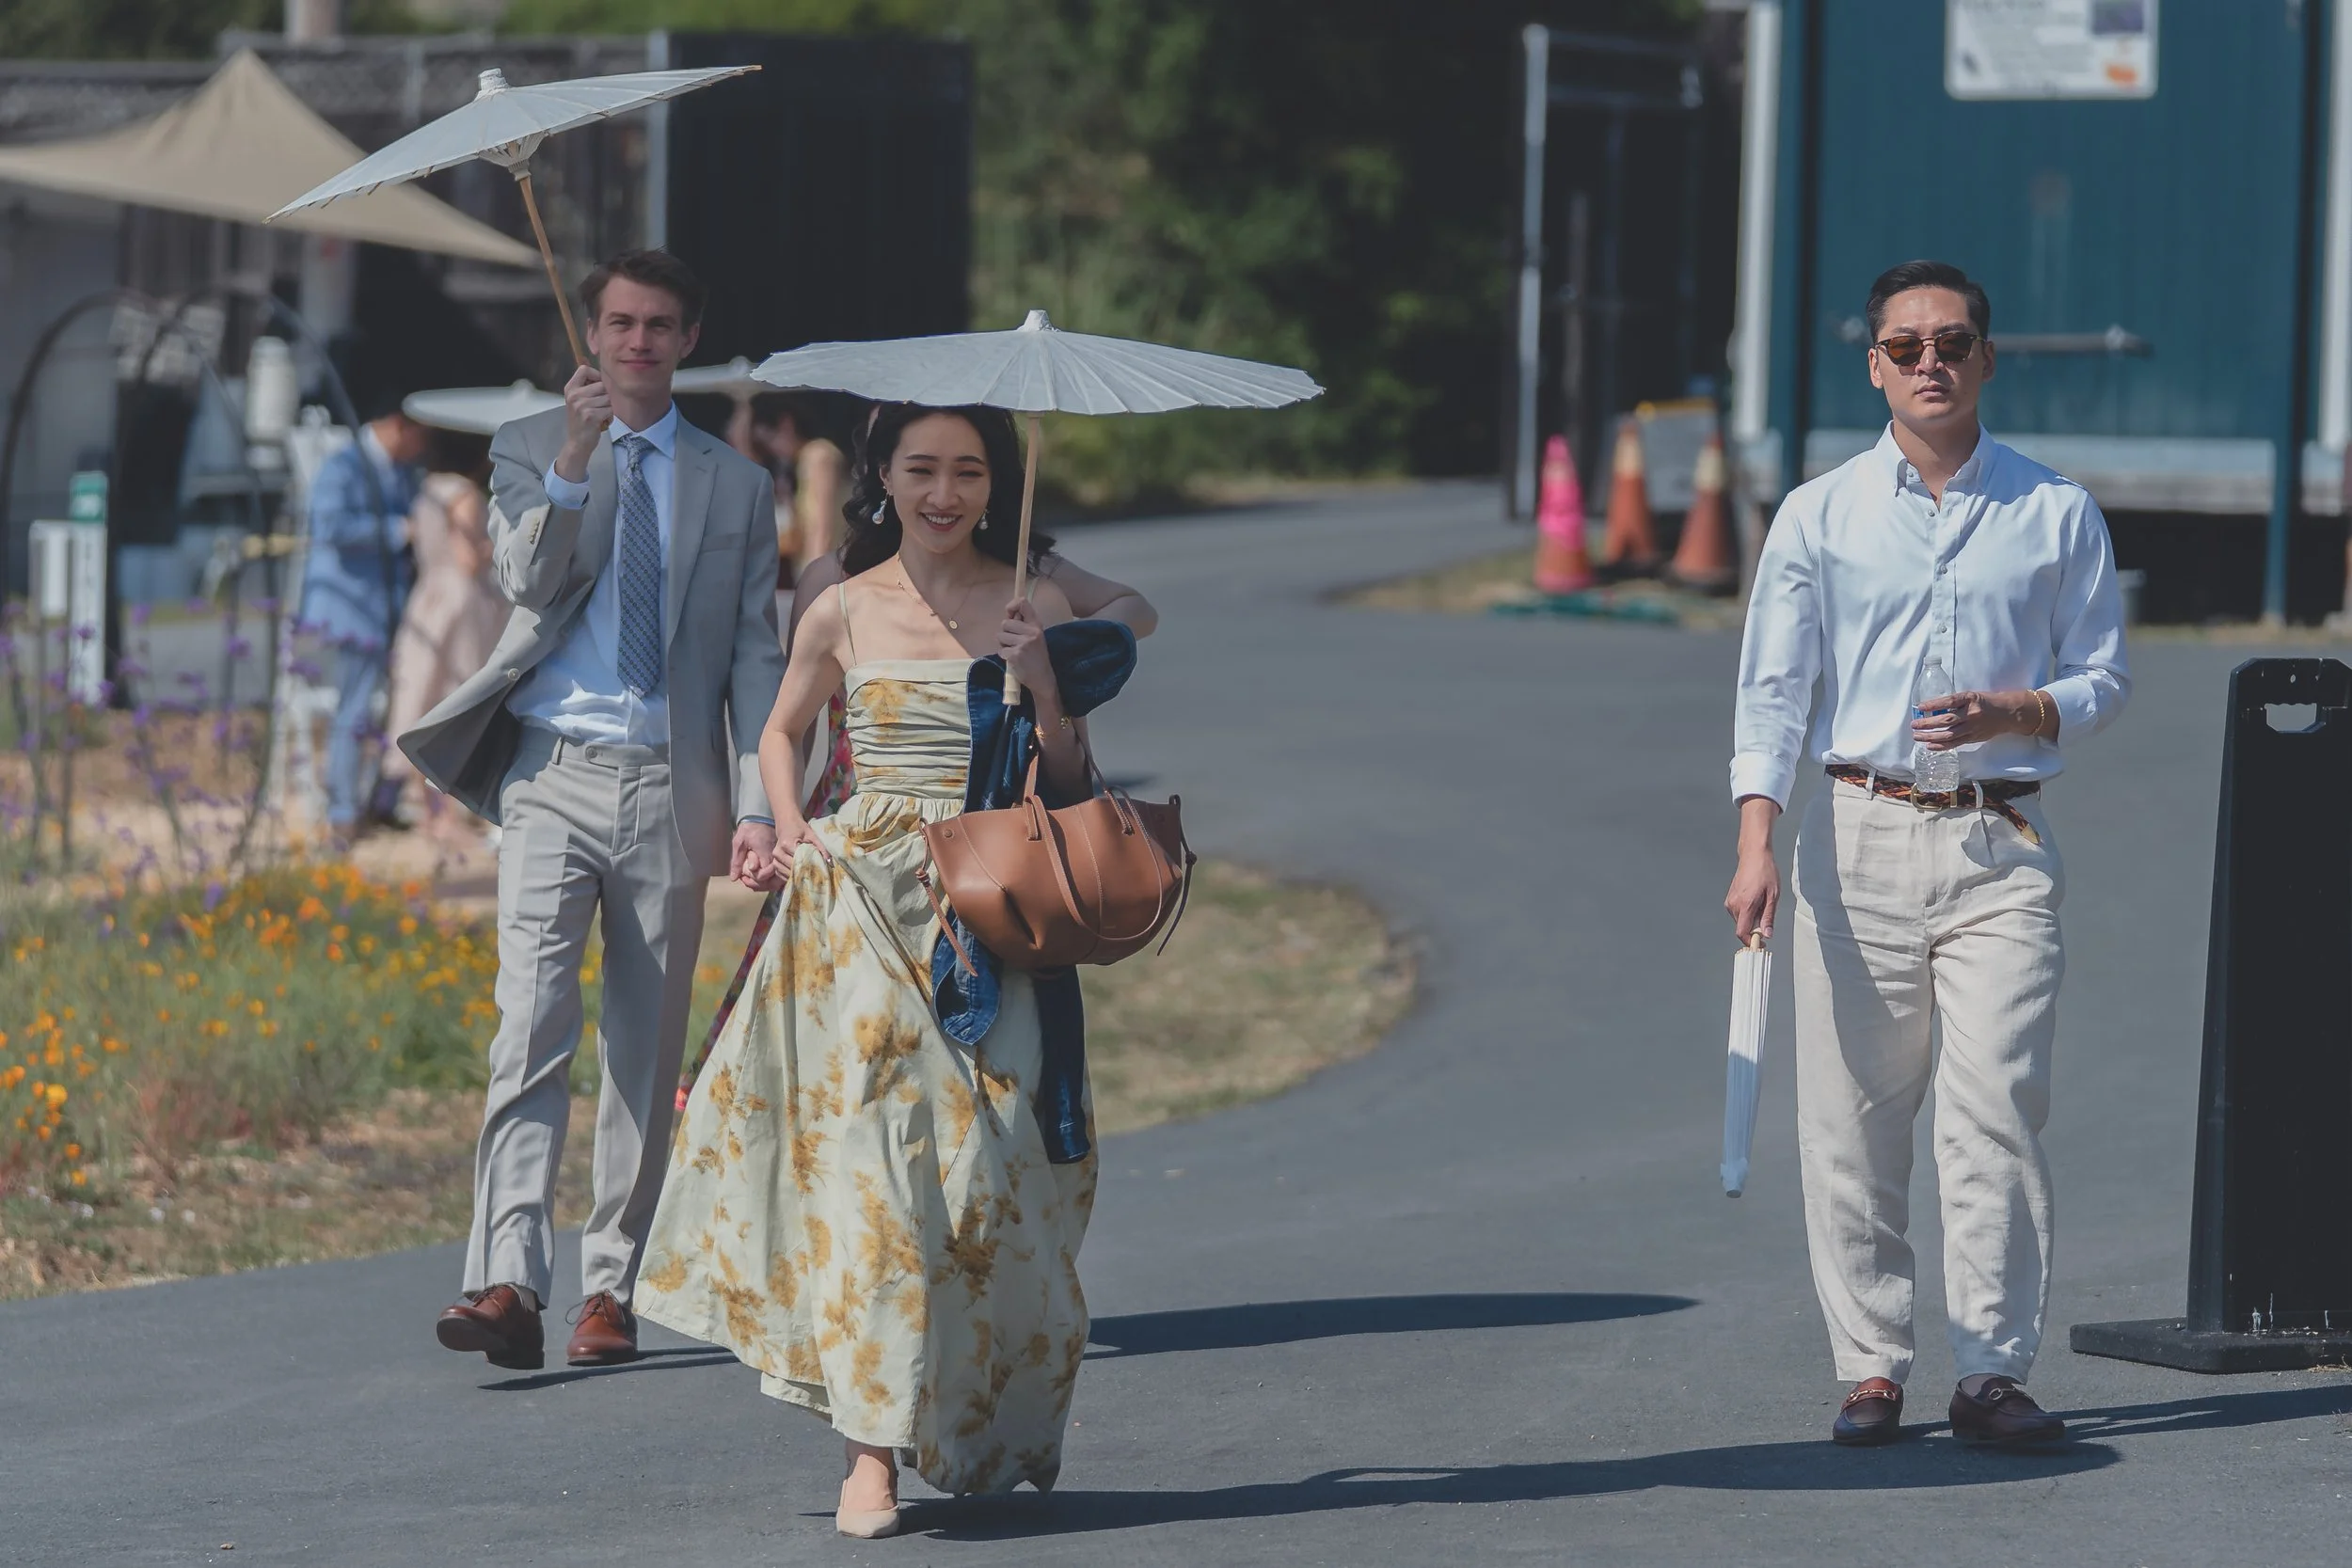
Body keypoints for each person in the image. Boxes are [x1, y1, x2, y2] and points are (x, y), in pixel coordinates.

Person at [636, 402, 1134, 1538]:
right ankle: (870, 1453)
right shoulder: (843, 604)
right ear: (887, 479)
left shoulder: (1033, 602)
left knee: (979, 1179)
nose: (944, 492)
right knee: (868, 1175)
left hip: (991, 907)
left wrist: (1044, 684)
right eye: (922, 469)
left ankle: (960, 1413)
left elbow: (1068, 775)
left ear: (995, 487)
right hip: (860, 905)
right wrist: (788, 822)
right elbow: (780, 728)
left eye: (967, 471)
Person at [1724, 260, 2129, 1449]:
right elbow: (1772, 691)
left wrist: (2025, 708)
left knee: (1996, 1103)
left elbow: (2103, 675)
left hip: (2000, 843)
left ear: (1987, 360)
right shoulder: (1819, 512)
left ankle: (1992, 1370)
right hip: (1853, 837)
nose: (1929, 362)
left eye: (1952, 342)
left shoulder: (2055, 508)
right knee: (1852, 1115)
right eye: (1905, 346)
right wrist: (1756, 836)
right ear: (1875, 366)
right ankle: (1869, 1365)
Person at [398, 248, 788, 1372]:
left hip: (674, 783)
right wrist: (574, 459)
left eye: (659, 325)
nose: (636, 342)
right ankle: (509, 1278)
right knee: (527, 1023)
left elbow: (756, 654)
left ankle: (610, 1283)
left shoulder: (736, 482)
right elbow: (525, 581)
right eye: (619, 321)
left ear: (687, 338)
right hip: (551, 773)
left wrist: (763, 801)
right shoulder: (528, 447)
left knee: (640, 1040)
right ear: (594, 331)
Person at [300, 398, 428, 843]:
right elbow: (330, 528)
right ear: (396, 425)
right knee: (353, 711)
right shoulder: (342, 467)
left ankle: (381, 801)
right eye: (419, 435)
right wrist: (399, 531)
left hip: (393, 610)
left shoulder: (405, 472)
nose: (421, 447)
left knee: (400, 707)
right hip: (351, 607)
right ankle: (342, 812)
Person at [381, 429, 508, 842]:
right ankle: (448, 815)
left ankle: (424, 810)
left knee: (422, 697)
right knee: (459, 698)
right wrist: (499, 544)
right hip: (461, 600)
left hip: (429, 595)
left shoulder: (428, 490)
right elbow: (468, 560)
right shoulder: (464, 494)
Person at [726, 391, 847, 590]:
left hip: (827, 574)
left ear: (786, 425)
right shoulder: (803, 461)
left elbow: (821, 525)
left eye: (769, 440)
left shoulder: (818, 455)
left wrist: (814, 582)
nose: (772, 450)